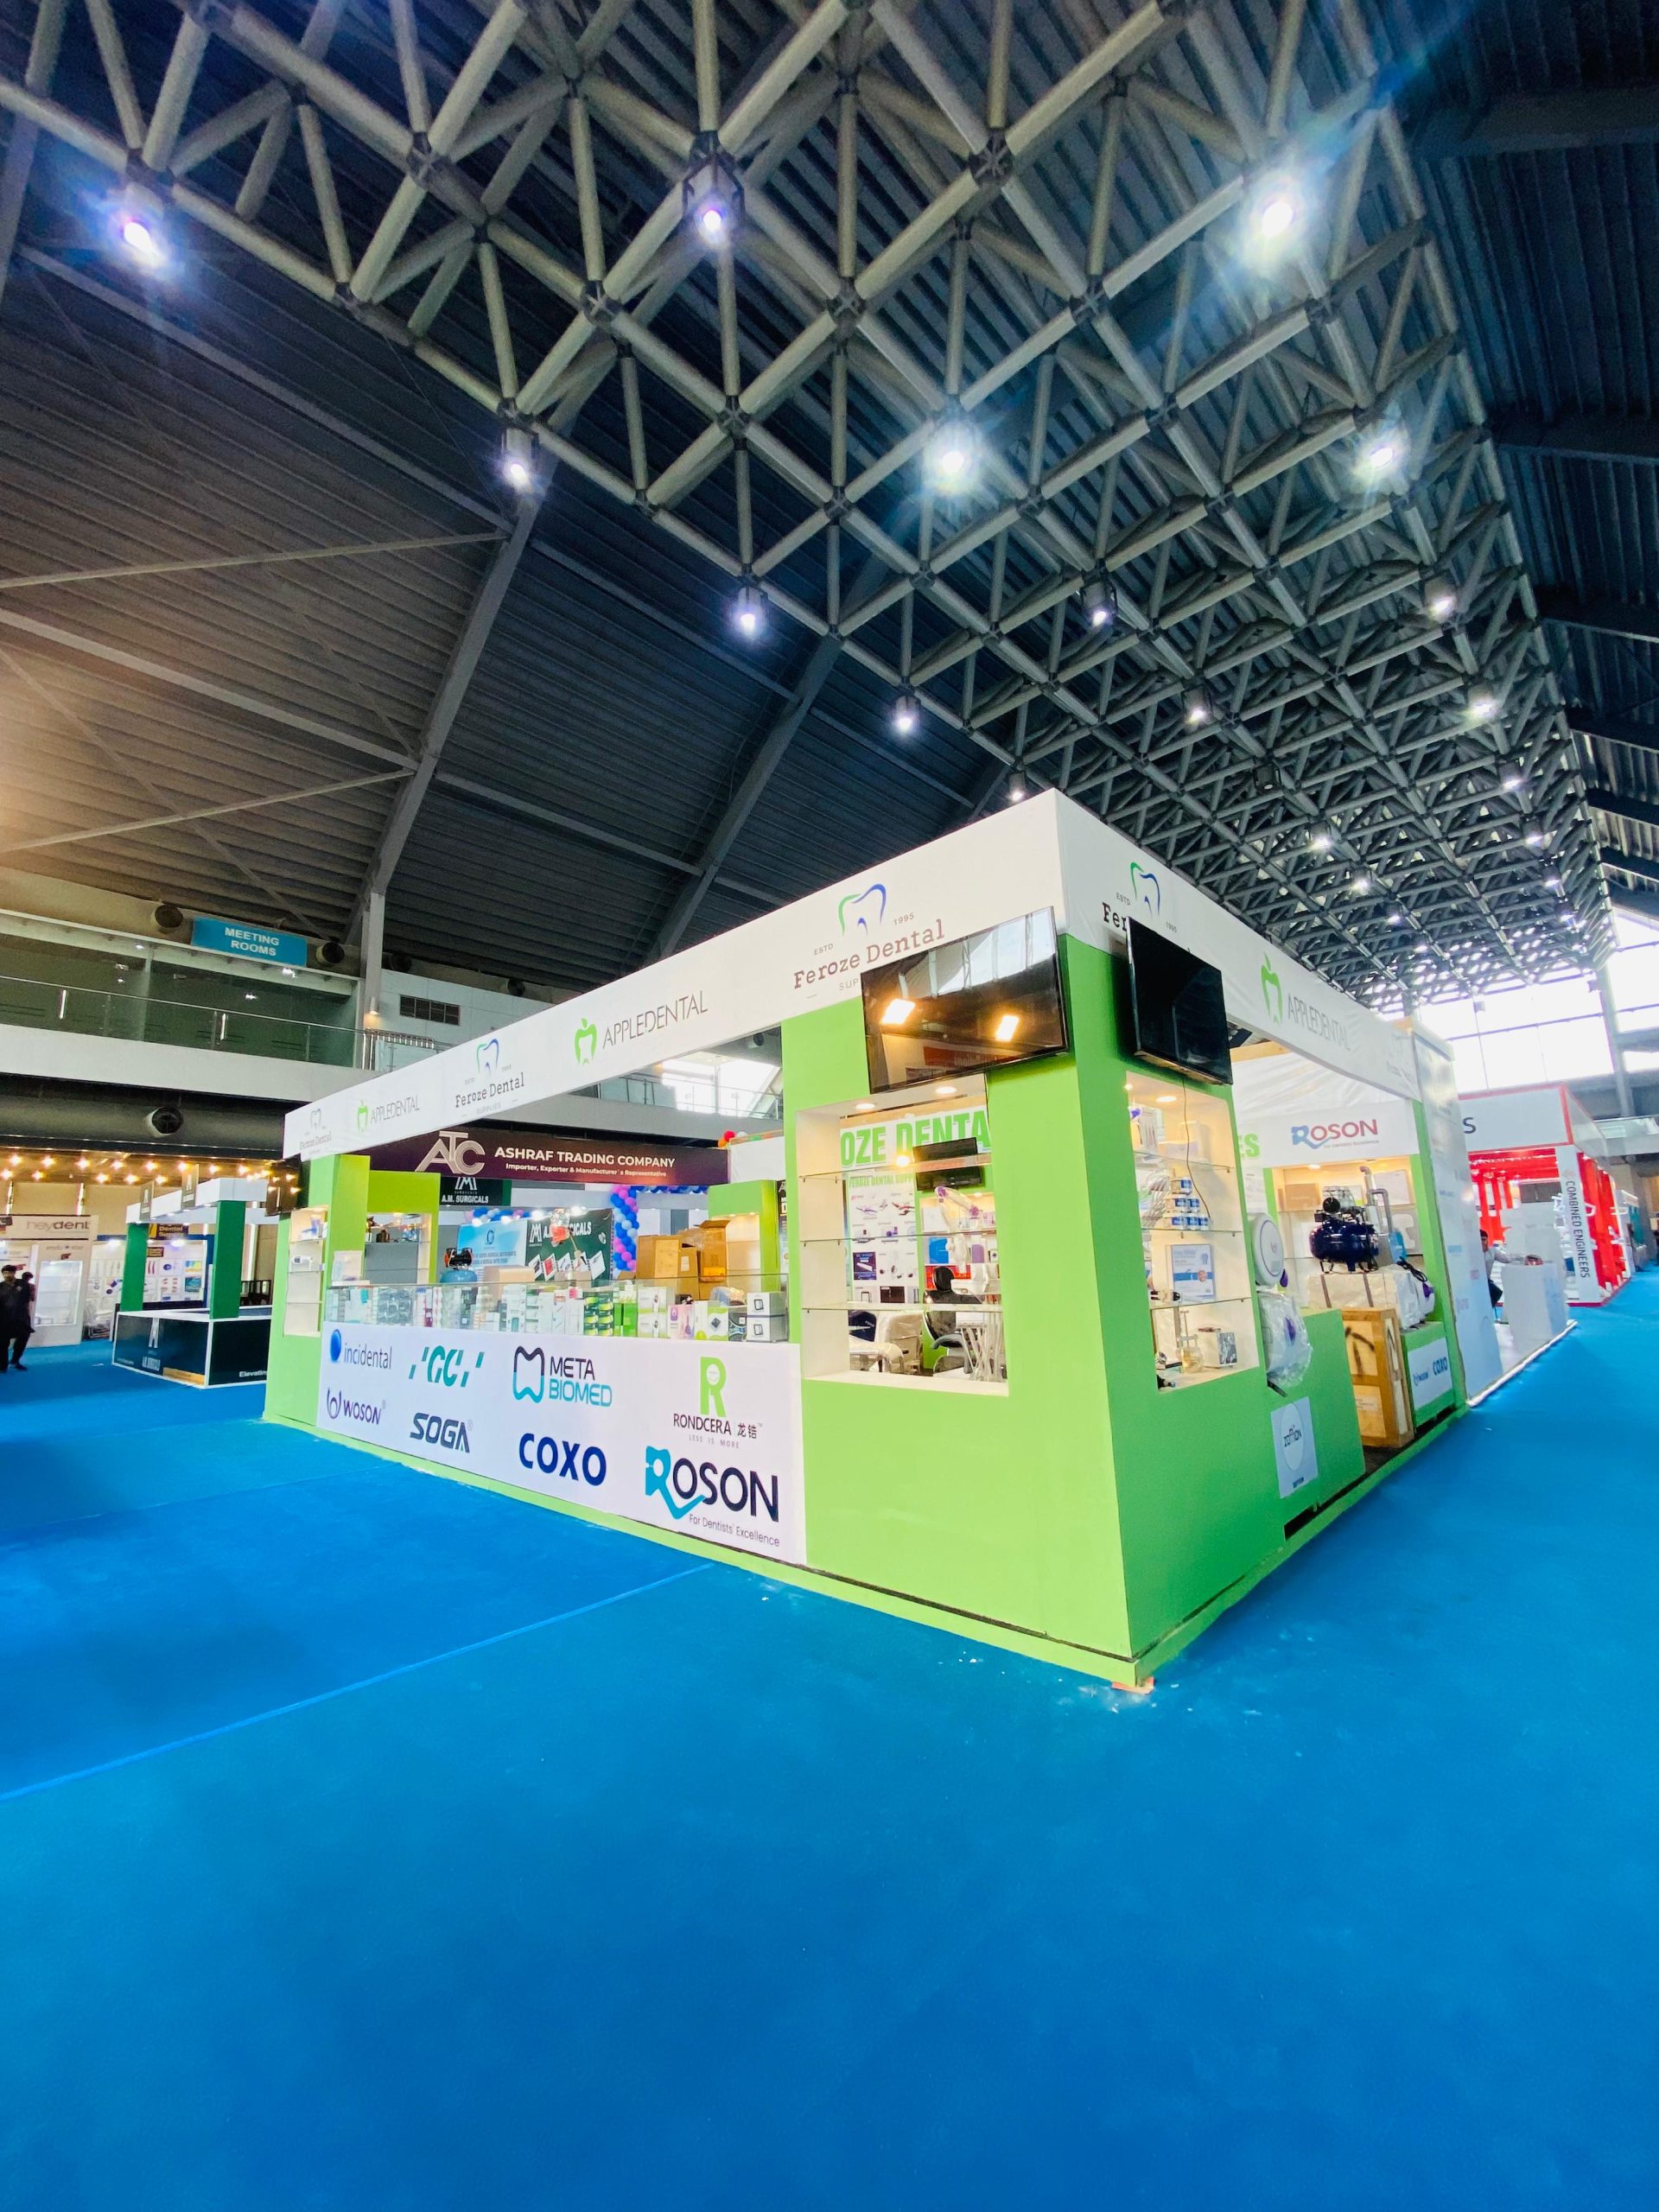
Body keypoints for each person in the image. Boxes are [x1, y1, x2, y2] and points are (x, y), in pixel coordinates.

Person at [0, 1264, 31, 1371]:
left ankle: (15, 1361)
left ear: (14, 1273)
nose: (6, 1275)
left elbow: (27, 1300)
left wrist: (26, 1315)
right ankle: (2, 1366)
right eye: (4, 1273)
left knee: (22, 1340)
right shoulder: (1, 1287)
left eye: (9, 1273)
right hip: (5, 1319)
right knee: (3, 1343)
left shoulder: (23, 1284)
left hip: (21, 1319)